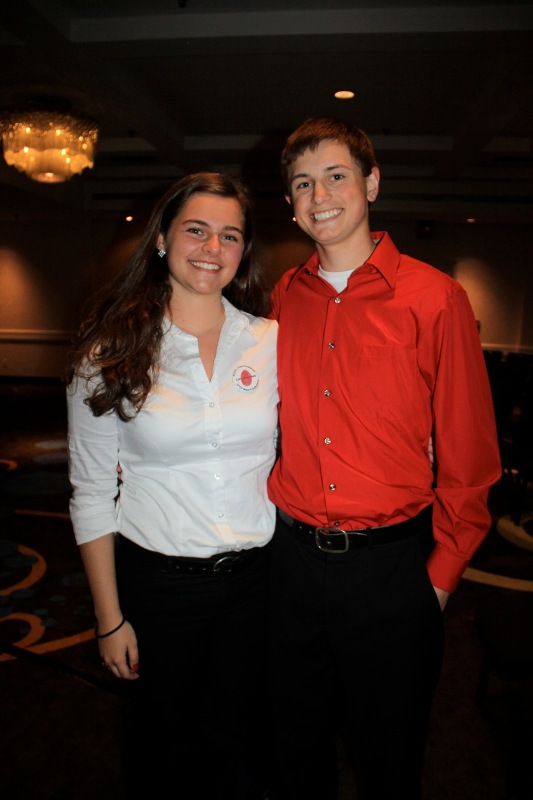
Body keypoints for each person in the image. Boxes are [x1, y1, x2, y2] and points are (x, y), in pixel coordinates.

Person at [266, 117, 501, 800]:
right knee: (294, 753)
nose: (319, 196)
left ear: (371, 183)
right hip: (289, 566)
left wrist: (440, 577)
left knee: (390, 760)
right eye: (302, 184)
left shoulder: (436, 298)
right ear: (290, 203)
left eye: (335, 176)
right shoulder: (283, 296)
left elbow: (468, 452)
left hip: (392, 573)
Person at [66, 172, 279, 799]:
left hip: (256, 585)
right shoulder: (109, 351)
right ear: (161, 238)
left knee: (235, 740)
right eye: (196, 230)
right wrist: (109, 619)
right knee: (159, 747)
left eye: (230, 235)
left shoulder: (270, 341)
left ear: (243, 251)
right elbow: (90, 493)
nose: (213, 247)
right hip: (158, 586)